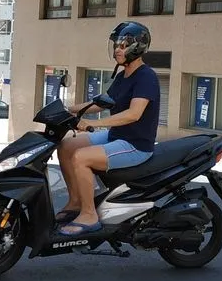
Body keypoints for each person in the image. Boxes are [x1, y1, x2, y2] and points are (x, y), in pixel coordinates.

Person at [54, 21, 160, 236]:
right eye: (116, 46)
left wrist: (93, 124)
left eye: (122, 46)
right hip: (116, 136)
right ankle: (75, 202)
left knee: (81, 157)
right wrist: (68, 110)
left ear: (137, 47)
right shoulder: (122, 76)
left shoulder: (146, 77)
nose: (117, 50)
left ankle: (89, 215)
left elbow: (134, 114)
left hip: (135, 145)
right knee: (66, 147)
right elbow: (103, 102)